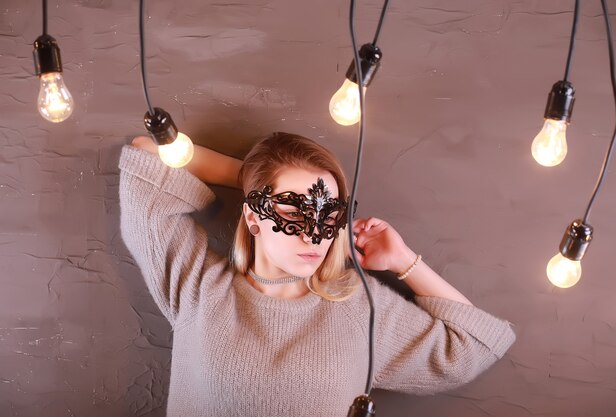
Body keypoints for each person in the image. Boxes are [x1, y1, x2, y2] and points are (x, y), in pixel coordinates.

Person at [119, 131, 515, 417]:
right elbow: (148, 155)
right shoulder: (197, 288)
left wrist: (404, 261)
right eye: (293, 212)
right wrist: (253, 177)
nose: (313, 234)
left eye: (328, 215)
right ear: (253, 217)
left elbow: (470, 347)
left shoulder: (359, 307)